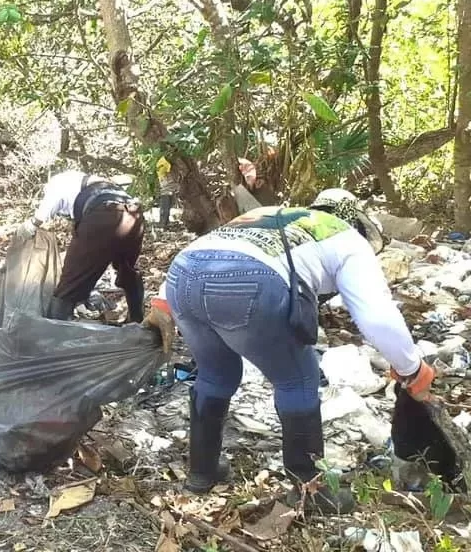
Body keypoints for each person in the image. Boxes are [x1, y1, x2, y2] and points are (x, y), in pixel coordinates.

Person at [164, 188, 434, 514]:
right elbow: (377, 317)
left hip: (182, 275)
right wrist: (412, 368)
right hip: (249, 281)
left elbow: (214, 252)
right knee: (298, 378)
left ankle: (201, 472)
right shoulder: (347, 237)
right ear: (357, 220)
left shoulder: (276, 216)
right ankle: (309, 489)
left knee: (216, 373)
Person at [17, 170, 146, 323]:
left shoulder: (57, 182)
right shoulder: (91, 182)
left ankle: (55, 330)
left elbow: (48, 206)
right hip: (134, 216)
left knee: (71, 281)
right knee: (127, 270)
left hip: (104, 215)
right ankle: (137, 323)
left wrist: (32, 225)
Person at [156, 157, 177, 228]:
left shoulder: (162, 162)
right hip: (166, 189)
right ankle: (163, 223)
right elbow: (168, 170)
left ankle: (165, 222)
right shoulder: (162, 163)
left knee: (167, 207)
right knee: (165, 207)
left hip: (167, 189)